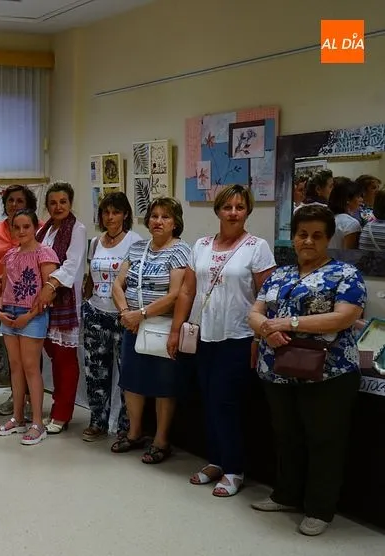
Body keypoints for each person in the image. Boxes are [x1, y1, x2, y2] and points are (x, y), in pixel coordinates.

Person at [248, 204, 366, 536]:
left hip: (328, 375)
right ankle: (285, 495)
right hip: (278, 372)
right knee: (287, 437)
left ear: (328, 238)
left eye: (317, 235)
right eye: (302, 235)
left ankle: (319, 509)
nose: (308, 241)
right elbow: (254, 313)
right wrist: (266, 329)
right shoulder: (279, 275)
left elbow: (343, 317)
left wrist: (288, 322)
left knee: (324, 441)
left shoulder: (345, 274)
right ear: (293, 238)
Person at [169, 185, 275, 497]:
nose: (233, 213)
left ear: (247, 211)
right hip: (203, 336)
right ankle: (215, 460)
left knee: (228, 403)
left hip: (238, 337)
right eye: (227, 207)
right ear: (217, 210)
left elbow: (266, 296)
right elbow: (187, 291)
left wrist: (259, 337)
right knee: (208, 400)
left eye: (239, 207)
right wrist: (176, 330)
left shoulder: (257, 247)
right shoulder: (200, 245)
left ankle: (234, 468)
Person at [110, 197, 190, 464]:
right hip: (132, 325)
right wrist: (125, 313)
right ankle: (134, 433)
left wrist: (141, 314)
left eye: (165, 217)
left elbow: (175, 294)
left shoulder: (180, 251)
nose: (158, 221)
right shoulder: (136, 248)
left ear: (175, 222)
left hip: (162, 327)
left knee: (163, 385)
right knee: (131, 382)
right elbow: (117, 285)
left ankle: (161, 440)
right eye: (154, 216)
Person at [0, 210, 58, 445]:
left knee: (31, 367)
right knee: (16, 366)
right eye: (16, 227)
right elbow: (2, 286)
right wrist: (0, 310)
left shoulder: (44, 253)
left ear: (34, 228)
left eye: (26, 227)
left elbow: (47, 294)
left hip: (33, 316)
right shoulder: (9, 255)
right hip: (9, 314)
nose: (21, 231)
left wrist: (28, 316)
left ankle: (37, 422)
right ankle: (17, 417)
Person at [80, 192, 141, 441]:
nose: (110, 217)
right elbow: (88, 277)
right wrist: (84, 304)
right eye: (106, 212)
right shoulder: (95, 242)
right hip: (96, 313)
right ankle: (98, 421)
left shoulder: (135, 242)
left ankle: (127, 425)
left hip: (122, 316)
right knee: (95, 371)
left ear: (125, 214)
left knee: (125, 373)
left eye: (116, 212)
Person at [33, 182, 86, 435]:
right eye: (53, 202)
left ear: (70, 203)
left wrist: (50, 285)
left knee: (65, 360)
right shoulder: (43, 231)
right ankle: (54, 406)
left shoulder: (77, 229)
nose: (58, 207)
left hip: (65, 301)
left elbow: (71, 264)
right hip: (44, 303)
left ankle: (62, 413)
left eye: (63, 202)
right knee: (52, 356)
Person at [0, 185, 38, 417]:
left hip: (29, 302)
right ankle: (14, 398)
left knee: (30, 356)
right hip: (0, 299)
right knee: (13, 356)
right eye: (11, 200)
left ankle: (30, 402)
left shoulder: (37, 229)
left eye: (20, 201)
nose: (14, 205)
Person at [327, 178, 362, 250]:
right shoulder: (351, 223)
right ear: (348, 200)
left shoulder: (326, 218)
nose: (361, 200)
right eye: (358, 196)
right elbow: (349, 256)